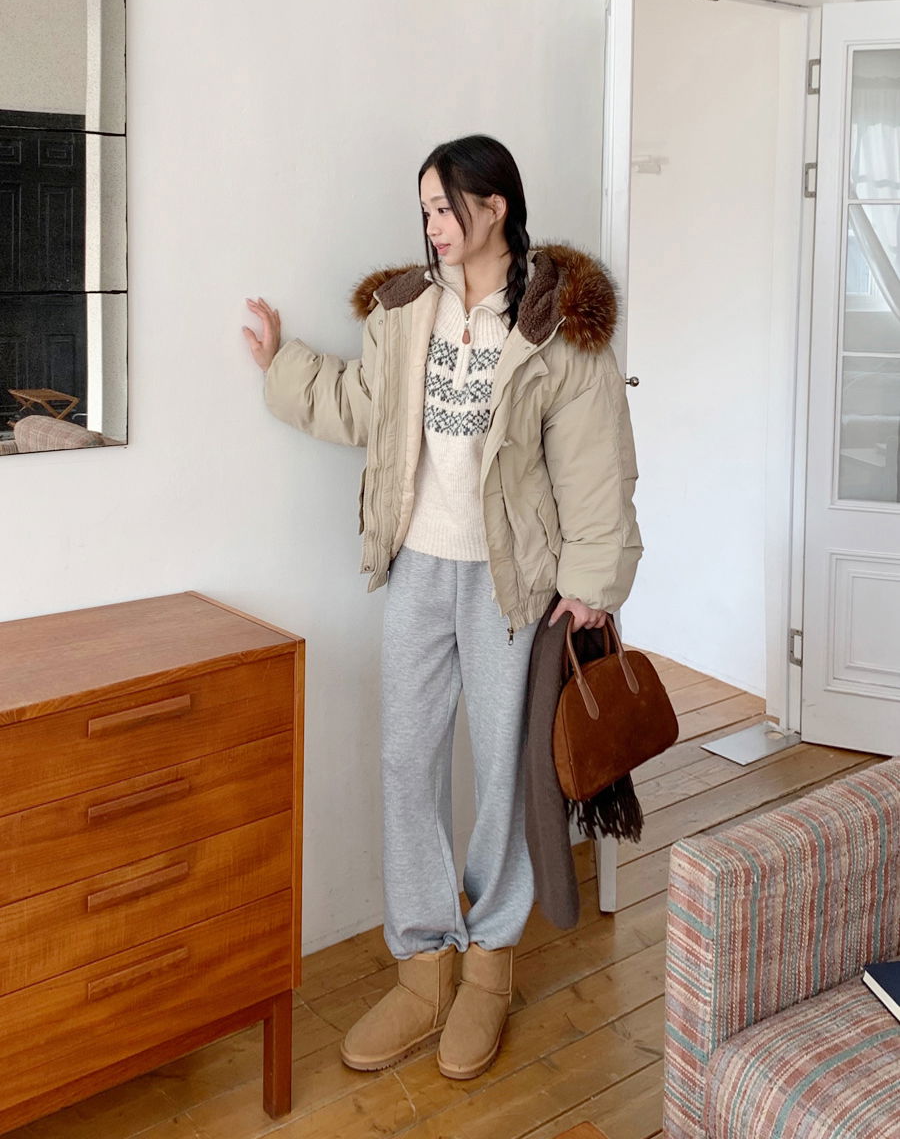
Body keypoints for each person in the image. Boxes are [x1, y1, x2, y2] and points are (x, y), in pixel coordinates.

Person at [243, 134, 642, 1080]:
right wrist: (280, 364)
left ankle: (489, 967)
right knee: (405, 760)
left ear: (494, 206)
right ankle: (423, 968)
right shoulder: (407, 311)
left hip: (514, 584)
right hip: (418, 567)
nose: (431, 226)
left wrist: (592, 585)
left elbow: (597, 461)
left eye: (444, 207)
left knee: (503, 769)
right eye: (423, 209)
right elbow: (360, 405)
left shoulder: (554, 324)